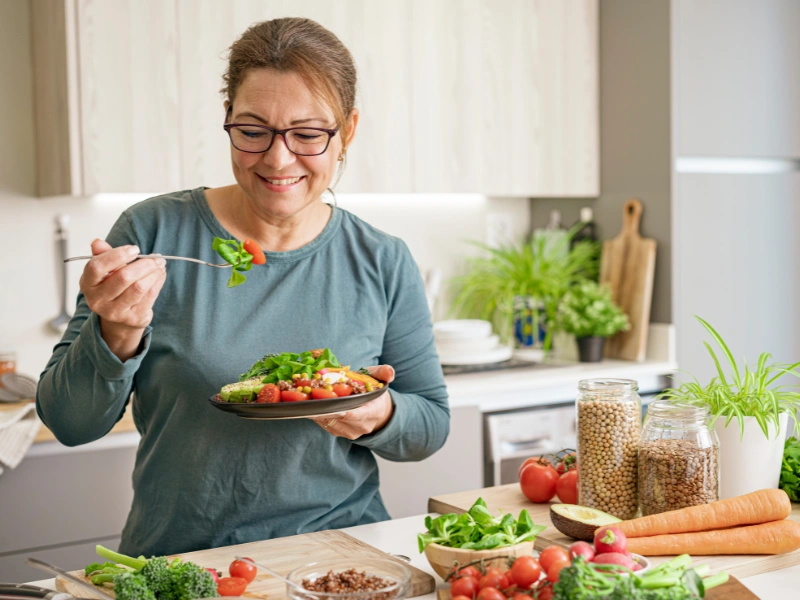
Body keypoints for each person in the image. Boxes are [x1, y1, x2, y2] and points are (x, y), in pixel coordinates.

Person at [36, 17, 449, 557]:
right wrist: (115, 331)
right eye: (253, 131)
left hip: (339, 557)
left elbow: (430, 424)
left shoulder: (382, 258)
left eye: (307, 134)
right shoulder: (152, 234)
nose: (278, 159)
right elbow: (69, 422)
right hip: (185, 565)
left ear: (347, 131)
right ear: (227, 119)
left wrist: (379, 414)